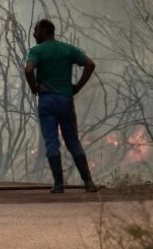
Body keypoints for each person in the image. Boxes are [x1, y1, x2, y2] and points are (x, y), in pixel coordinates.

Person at [24, 19, 98, 193]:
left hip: (47, 100)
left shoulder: (36, 51)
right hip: (65, 100)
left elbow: (28, 70)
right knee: (72, 141)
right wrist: (77, 87)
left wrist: (33, 86)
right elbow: (90, 64)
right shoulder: (68, 49)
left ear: (44, 30)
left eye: (36, 30)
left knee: (51, 142)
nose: (34, 34)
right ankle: (88, 182)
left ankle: (58, 185)